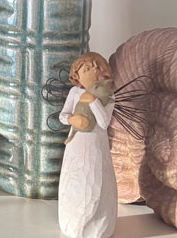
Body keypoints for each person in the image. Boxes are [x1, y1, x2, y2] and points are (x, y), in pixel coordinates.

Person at [58, 52, 117, 238]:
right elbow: (62, 115)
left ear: (104, 74)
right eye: (86, 69)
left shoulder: (108, 95)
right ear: (77, 75)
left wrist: (93, 102)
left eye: (96, 68)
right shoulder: (74, 93)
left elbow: (104, 122)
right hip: (75, 145)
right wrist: (71, 119)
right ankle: (72, 221)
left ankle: (100, 226)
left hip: (96, 146)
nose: (92, 72)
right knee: (75, 179)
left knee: (97, 179)